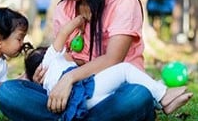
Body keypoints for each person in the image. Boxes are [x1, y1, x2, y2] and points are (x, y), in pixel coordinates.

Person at [0, 0, 191, 120]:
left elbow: (112, 59)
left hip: (113, 94)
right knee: (10, 92)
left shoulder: (123, 2)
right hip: (72, 96)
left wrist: (69, 78)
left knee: (136, 96)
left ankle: (69, 117)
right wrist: (33, 76)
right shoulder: (64, 8)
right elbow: (58, 55)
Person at [22, 15, 192, 120]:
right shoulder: (50, 59)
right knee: (125, 70)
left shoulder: (45, 84)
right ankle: (163, 96)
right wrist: (79, 20)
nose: (69, 52)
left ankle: (157, 101)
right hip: (82, 90)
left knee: (114, 95)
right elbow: (63, 33)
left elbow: (23, 82)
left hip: (78, 107)